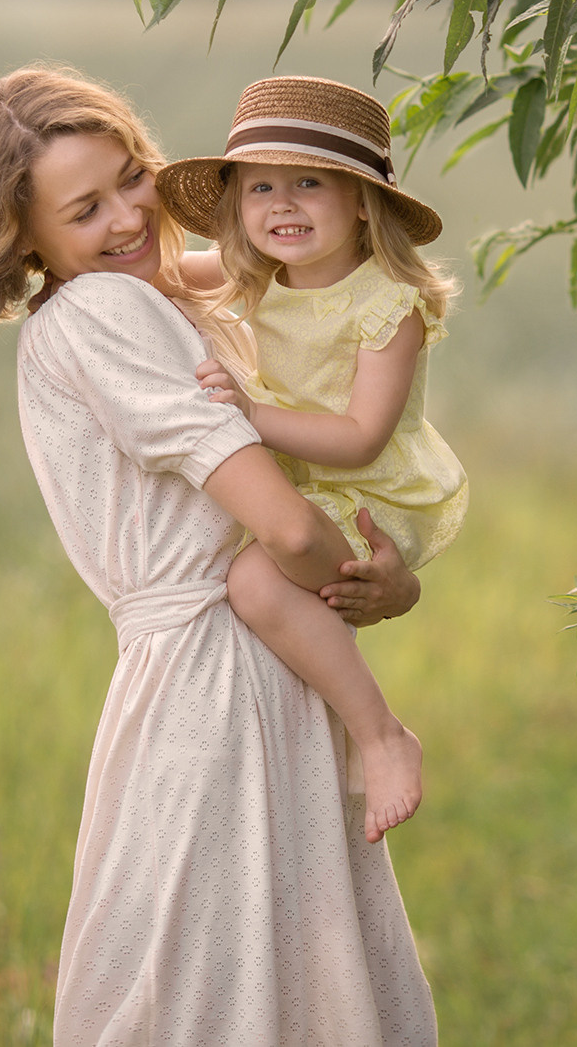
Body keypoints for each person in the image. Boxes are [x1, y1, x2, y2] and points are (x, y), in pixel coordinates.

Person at [0, 65, 437, 1046]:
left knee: (247, 986)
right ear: (22, 233)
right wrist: (375, 583)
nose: (125, 216)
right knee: (217, 993)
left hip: (242, 661)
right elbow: (280, 529)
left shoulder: (145, 296)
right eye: (83, 207)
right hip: (216, 678)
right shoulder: (106, 314)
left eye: (131, 177)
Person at [155, 76, 467, 846]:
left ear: (363, 201)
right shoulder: (252, 273)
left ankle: (383, 733)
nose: (282, 205)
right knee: (260, 569)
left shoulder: (387, 304)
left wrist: (256, 415)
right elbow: (155, 277)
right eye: (260, 187)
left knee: (256, 578)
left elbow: (362, 435)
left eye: (308, 184)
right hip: (301, 485)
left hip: (368, 492)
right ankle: (328, 727)